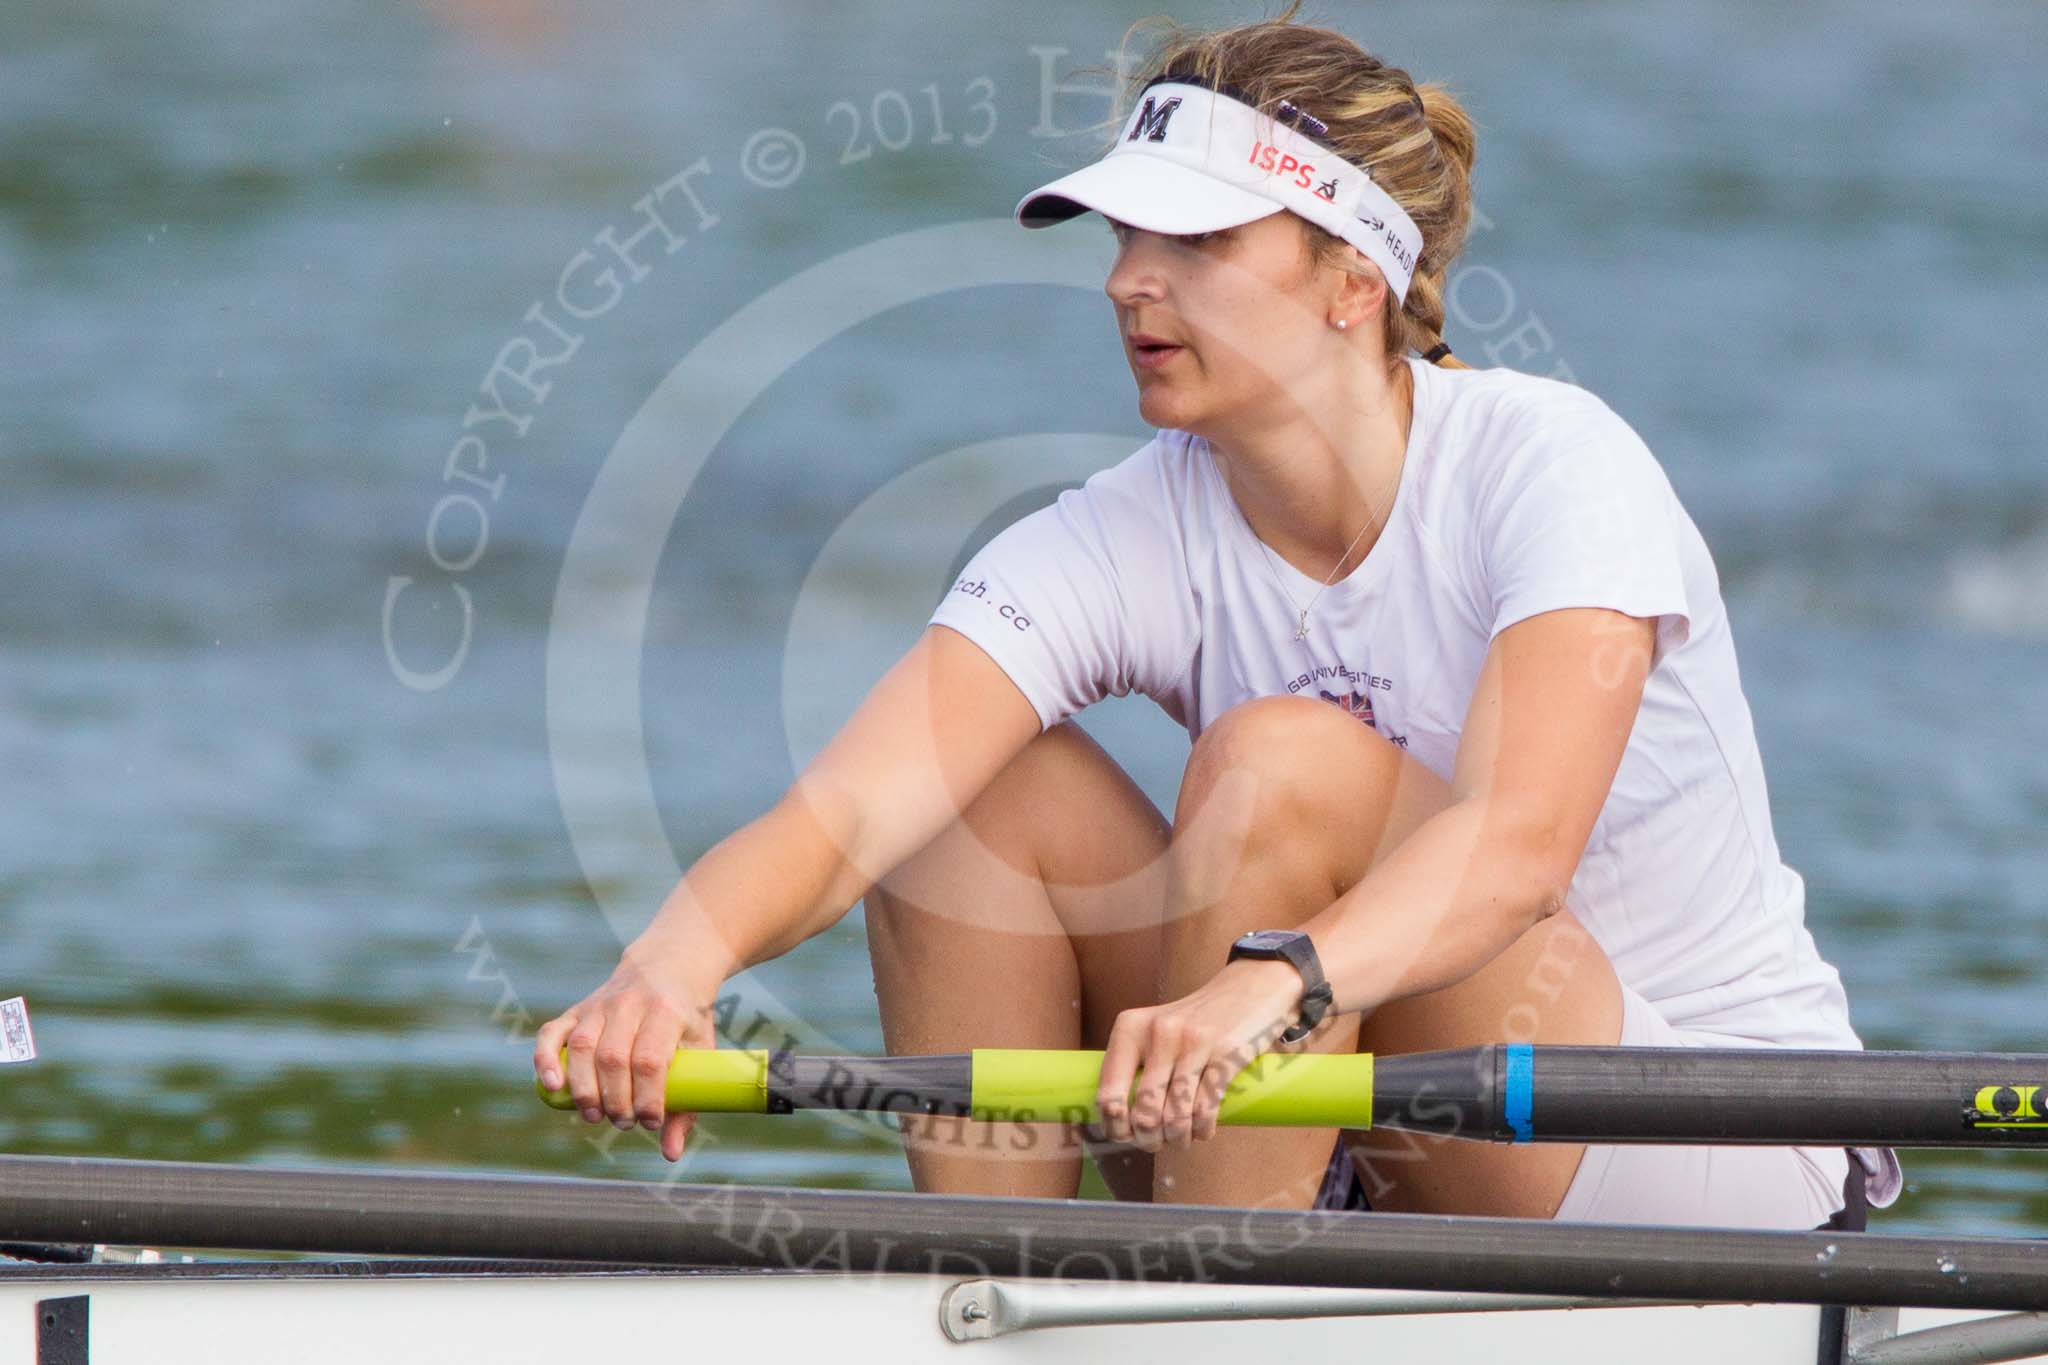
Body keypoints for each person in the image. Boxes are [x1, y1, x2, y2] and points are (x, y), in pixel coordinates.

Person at [535, 6, 1899, 1228]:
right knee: (970, 797)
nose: (1131, 278)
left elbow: (1518, 850)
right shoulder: (1132, 526)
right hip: (1360, 1097)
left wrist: (1279, 982)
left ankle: (1205, 1291)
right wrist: (667, 966)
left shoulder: (1556, 467)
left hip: (1708, 1135)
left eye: (1194, 239)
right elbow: (845, 815)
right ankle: (1006, 1287)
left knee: (1278, 763)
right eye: (1129, 235)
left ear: (1353, 281)